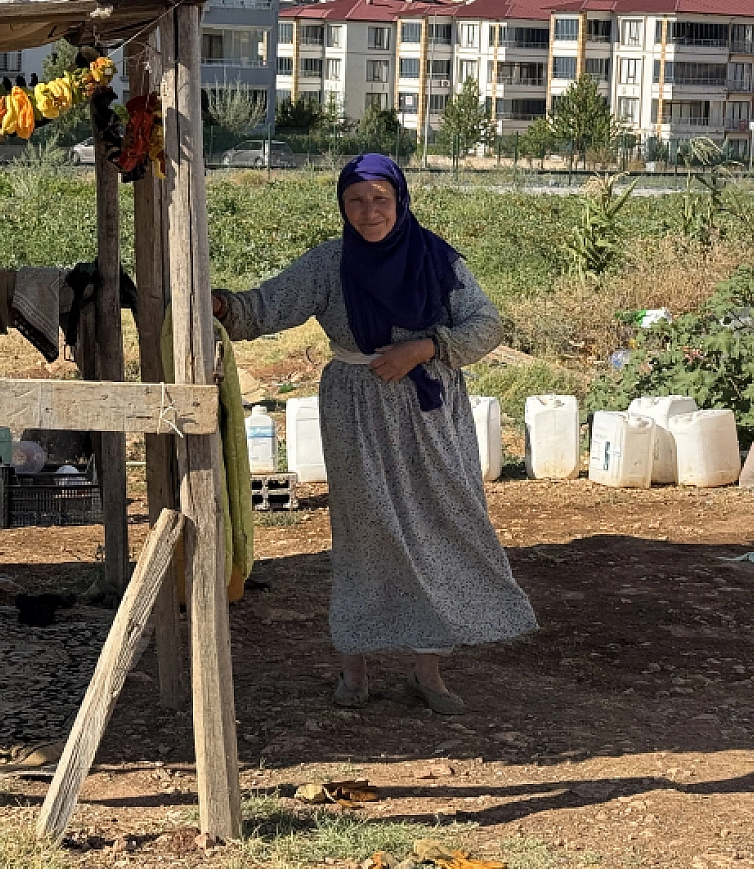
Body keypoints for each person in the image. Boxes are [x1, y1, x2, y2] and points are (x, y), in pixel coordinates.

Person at [213, 153, 537, 714]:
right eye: (356, 201)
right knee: (366, 533)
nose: (369, 212)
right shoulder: (329, 264)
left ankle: (428, 672)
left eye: (380, 199)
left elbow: (486, 324)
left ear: (400, 200)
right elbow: (264, 308)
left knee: (441, 524)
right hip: (356, 412)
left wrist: (424, 348)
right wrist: (221, 305)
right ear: (342, 205)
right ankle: (354, 670)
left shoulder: (436, 259)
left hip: (428, 413)